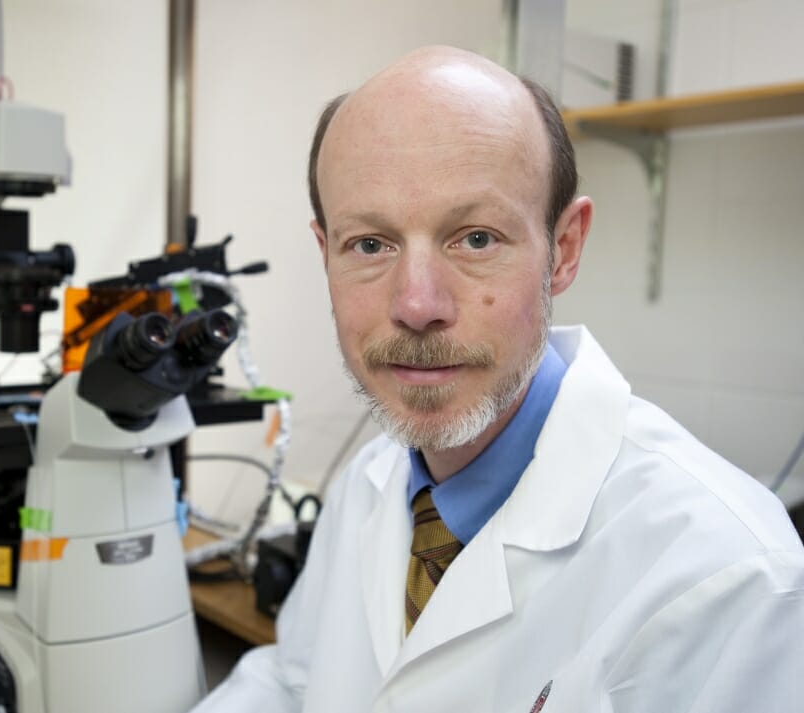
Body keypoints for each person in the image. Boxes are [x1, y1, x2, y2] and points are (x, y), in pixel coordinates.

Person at [192, 46, 804, 712]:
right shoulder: (370, 485)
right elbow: (292, 680)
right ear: (326, 253)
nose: (418, 305)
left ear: (563, 251)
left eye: (476, 238)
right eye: (370, 244)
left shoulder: (731, 572)